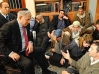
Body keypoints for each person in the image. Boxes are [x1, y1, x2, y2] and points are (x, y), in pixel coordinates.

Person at [0, 9, 57, 74]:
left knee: (40, 50)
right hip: (15, 52)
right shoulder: (9, 26)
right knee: (28, 63)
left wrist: (30, 43)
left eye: (30, 19)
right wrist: (11, 53)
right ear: (20, 17)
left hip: (25, 49)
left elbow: (29, 36)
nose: (29, 21)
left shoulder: (26, 24)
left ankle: (45, 71)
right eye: (28, 19)